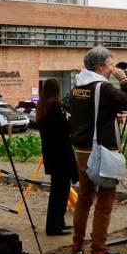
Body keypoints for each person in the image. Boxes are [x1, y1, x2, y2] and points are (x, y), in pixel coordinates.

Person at [68, 46, 127, 254]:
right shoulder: (104, 87)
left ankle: (77, 245)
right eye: (111, 65)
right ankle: (99, 252)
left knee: (84, 199)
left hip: (82, 151)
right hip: (102, 152)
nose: (113, 69)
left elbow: (87, 114)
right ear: (101, 66)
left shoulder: (78, 86)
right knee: (104, 203)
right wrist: (125, 80)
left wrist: (108, 116)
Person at [36, 78, 77, 236]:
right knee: (60, 192)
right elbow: (64, 129)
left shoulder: (43, 106)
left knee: (59, 190)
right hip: (61, 155)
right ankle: (54, 226)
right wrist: (70, 120)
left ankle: (58, 222)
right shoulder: (54, 107)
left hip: (52, 155)